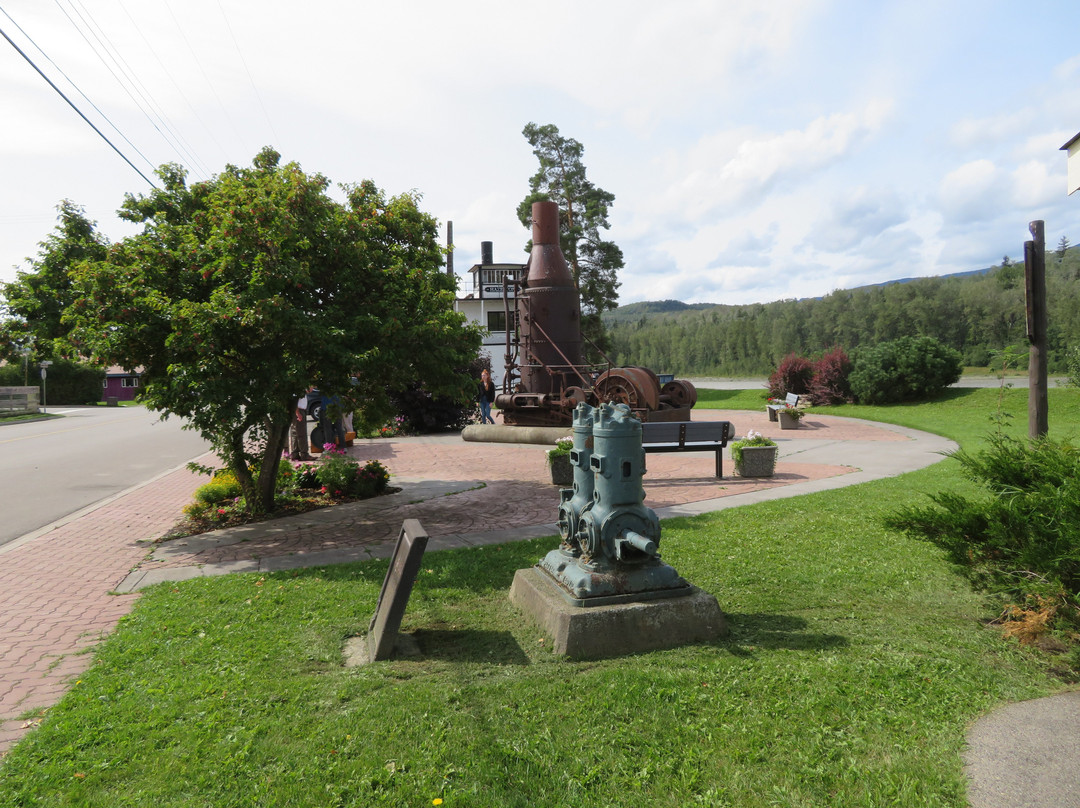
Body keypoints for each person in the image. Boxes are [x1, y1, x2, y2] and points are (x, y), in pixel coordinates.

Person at [289, 391, 313, 461]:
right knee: (301, 433)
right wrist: (297, 412)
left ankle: (295, 454)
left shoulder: (298, 387)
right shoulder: (297, 387)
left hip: (299, 410)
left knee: (295, 433)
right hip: (299, 410)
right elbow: (294, 400)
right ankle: (304, 454)